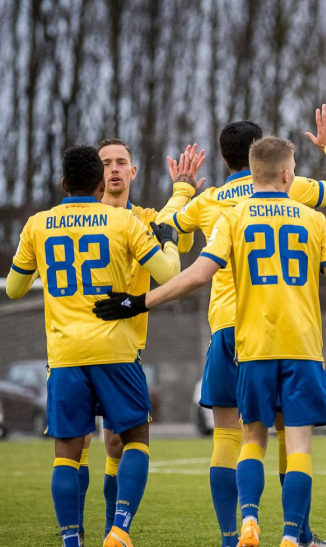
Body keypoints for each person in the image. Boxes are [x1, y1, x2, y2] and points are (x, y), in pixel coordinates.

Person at [93, 135, 326, 547]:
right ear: (287, 173)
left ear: (235, 163)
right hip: (299, 343)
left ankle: (238, 529)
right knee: (296, 441)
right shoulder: (308, 210)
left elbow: (183, 254)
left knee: (241, 437)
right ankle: (294, 535)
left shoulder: (223, 210)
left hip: (239, 338)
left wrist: (139, 300)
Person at [6, 145, 182, 547]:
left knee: (67, 453)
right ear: (101, 182)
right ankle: (119, 528)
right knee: (135, 439)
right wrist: (169, 241)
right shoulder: (123, 222)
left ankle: (72, 540)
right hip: (117, 351)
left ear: (63, 183)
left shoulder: (38, 224)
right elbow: (169, 274)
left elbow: (15, 289)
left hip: (65, 355)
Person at [76, 139, 204, 543]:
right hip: (76, 344)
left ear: (133, 172)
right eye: (106, 163)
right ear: (96, 175)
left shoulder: (147, 218)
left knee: (116, 441)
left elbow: (179, 240)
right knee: (75, 440)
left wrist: (183, 191)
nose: (114, 169)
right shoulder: (75, 220)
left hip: (125, 346)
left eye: (122, 163)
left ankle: (114, 528)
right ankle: (75, 529)